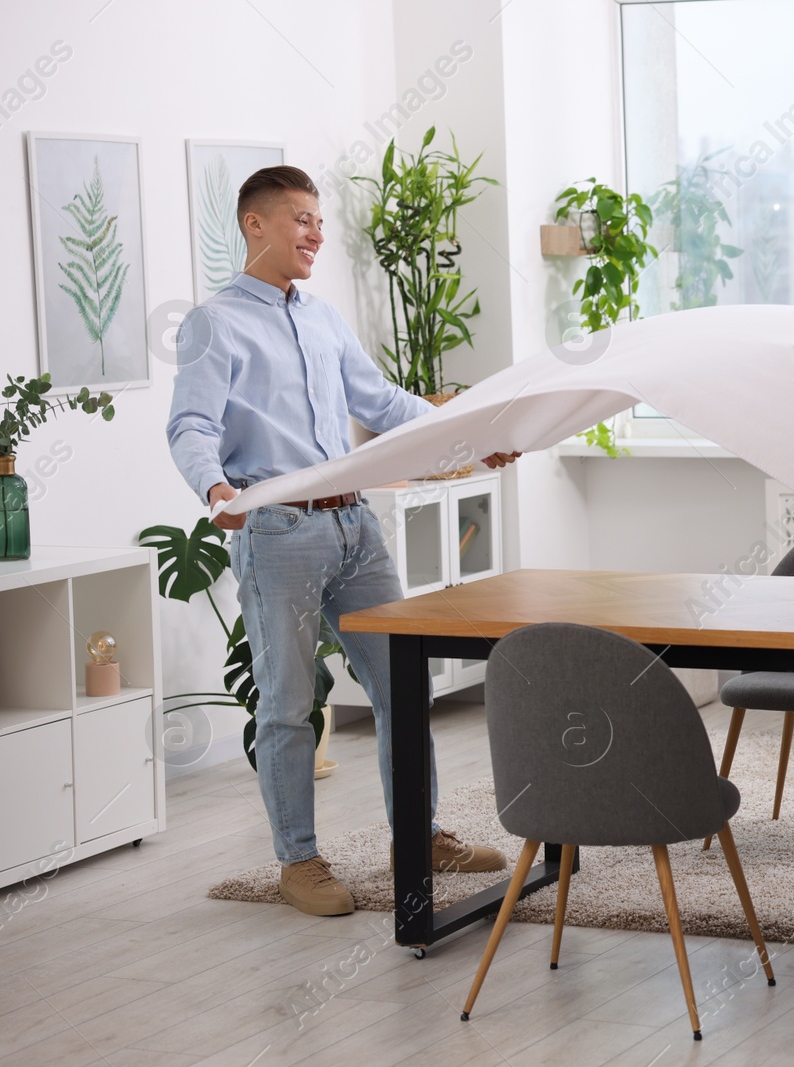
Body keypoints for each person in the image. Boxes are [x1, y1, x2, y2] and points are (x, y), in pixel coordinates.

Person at [168, 166, 522, 916]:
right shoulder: (215, 323)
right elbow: (191, 425)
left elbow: (384, 403)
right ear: (254, 225)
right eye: (300, 219)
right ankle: (299, 861)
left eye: (319, 221)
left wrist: (472, 437)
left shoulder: (324, 318)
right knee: (290, 704)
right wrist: (215, 489)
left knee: (405, 683)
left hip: (355, 526)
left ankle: (418, 836)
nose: (316, 234)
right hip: (278, 533)